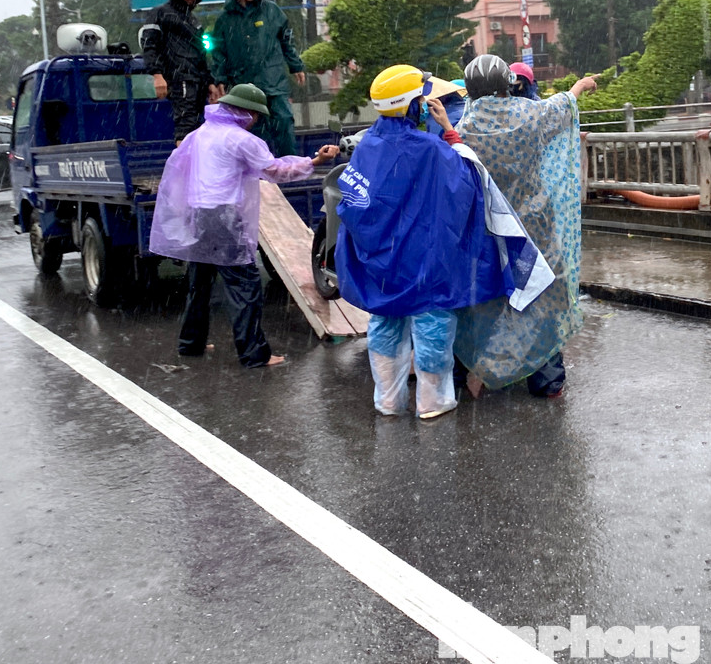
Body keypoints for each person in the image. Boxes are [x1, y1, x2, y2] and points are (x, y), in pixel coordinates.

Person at [335, 65, 518, 419]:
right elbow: (468, 181)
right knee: (432, 325)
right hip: (422, 261)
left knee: (386, 325)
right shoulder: (428, 148)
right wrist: (450, 132)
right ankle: (433, 401)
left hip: (382, 262)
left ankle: (388, 400)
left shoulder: (369, 144)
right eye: (421, 97)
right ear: (411, 104)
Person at [150, 83, 338, 368]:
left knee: (199, 283)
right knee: (245, 285)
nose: (257, 120)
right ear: (247, 112)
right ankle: (254, 354)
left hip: (200, 213)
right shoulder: (241, 140)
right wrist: (315, 160)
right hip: (224, 217)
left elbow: (181, 170)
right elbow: (276, 171)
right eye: (257, 114)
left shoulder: (199, 134)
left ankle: (191, 344)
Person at [453, 54, 598, 397]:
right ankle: (546, 379)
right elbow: (561, 106)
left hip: (490, 227)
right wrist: (578, 85)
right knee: (544, 293)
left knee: (491, 298)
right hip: (534, 223)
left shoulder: (463, 127)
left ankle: (480, 370)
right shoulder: (530, 115)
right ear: (507, 83)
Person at [209, 0, 306, 157]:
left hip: (273, 81)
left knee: (284, 122)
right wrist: (218, 79)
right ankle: (257, 171)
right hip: (243, 84)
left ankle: (290, 166)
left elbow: (287, 41)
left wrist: (296, 66)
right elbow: (218, 52)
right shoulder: (225, 19)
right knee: (251, 130)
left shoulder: (273, 12)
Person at [141, 0, 220, 142]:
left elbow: (201, 56)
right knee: (185, 125)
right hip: (179, 79)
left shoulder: (193, 21)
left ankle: (195, 166)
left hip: (197, 81)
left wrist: (210, 83)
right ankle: (185, 167)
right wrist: (157, 75)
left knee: (198, 126)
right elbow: (149, 45)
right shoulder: (160, 13)